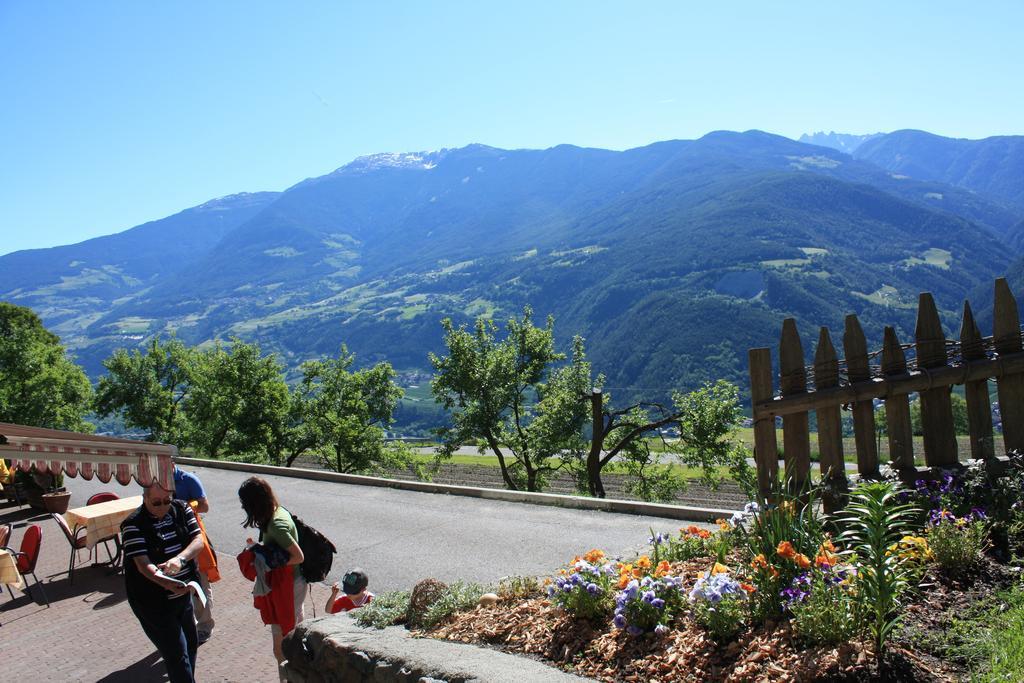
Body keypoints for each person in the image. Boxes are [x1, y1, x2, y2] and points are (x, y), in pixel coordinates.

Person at [121, 481, 206, 683]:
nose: (162, 506)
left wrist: (180, 559)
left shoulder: (181, 508)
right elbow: (143, 565)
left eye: (166, 500)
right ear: (144, 499)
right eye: (156, 502)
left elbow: (198, 541)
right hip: (153, 602)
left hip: (182, 594)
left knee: (191, 643)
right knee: (176, 654)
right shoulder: (132, 524)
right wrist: (164, 581)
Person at [237, 476, 305, 671]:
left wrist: (267, 563)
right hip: (292, 582)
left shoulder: (276, 525)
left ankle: (291, 675)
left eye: (245, 503)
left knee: (282, 644)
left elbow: (298, 557)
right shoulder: (277, 511)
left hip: (287, 585)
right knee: (295, 627)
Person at [173, 466, 215, 643]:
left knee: (200, 582)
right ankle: (185, 624)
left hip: (192, 538)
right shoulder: (154, 481)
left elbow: (205, 506)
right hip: (172, 541)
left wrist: (188, 506)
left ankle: (205, 625)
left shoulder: (188, 479)